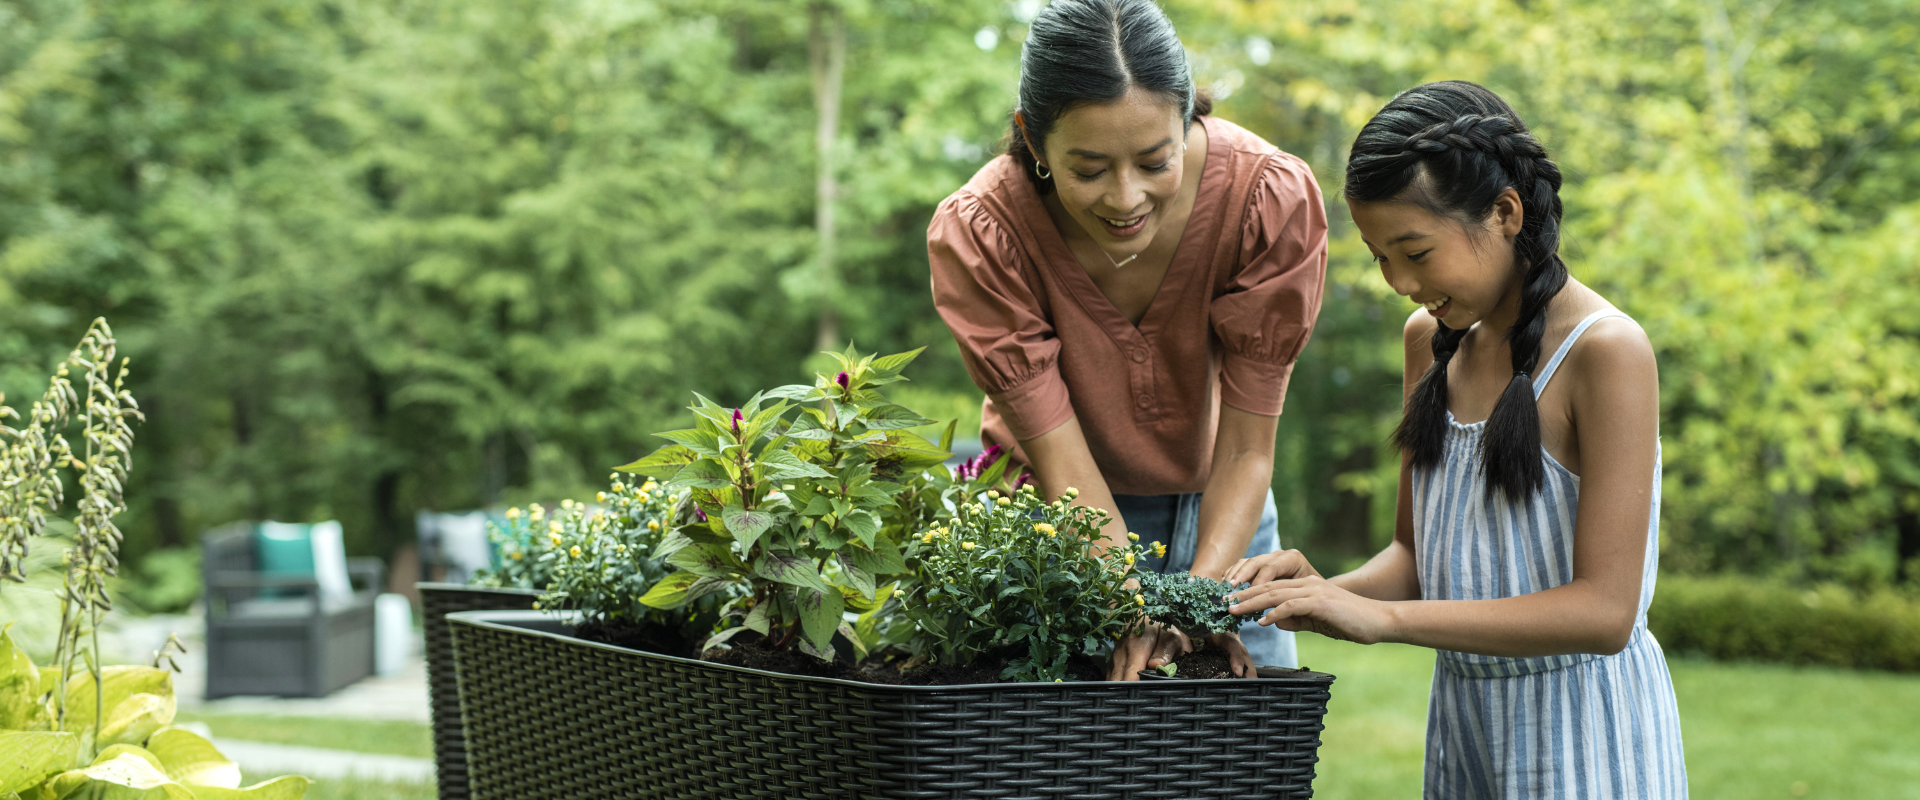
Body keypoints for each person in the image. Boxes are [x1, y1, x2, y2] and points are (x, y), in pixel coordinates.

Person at [1224, 81, 1687, 797]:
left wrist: (1384, 620)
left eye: (1416, 251)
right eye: (1381, 257)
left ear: (1505, 212)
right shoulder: (1430, 344)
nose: (1400, 283)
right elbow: (1416, 558)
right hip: (1466, 731)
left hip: (1587, 739)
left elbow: (1604, 613)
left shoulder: (1607, 352)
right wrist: (1319, 596)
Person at [927, 0, 1327, 680]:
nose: (1125, 197)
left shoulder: (1266, 198)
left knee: (1239, 760)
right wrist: (1128, 602)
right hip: (1051, 524)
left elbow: (1247, 449)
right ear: (1031, 136)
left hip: (1224, 512)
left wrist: (1201, 602)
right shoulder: (985, 232)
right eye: (1088, 169)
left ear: (1187, 115)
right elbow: (1061, 468)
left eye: (1154, 160)